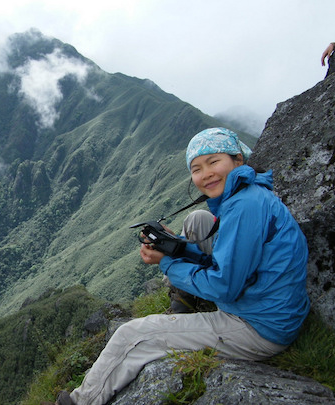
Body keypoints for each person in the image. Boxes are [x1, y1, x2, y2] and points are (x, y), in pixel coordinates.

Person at [54, 127, 310, 405]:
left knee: (131, 335)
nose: (206, 173)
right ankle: (186, 301)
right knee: (200, 220)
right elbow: (228, 260)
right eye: (197, 168)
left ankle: (81, 401)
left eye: (214, 162)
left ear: (238, 160)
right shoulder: (247, 194)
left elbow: (224, 285)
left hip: (259, 326)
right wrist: (175, 246)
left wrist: (168, 264)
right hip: (266, 305)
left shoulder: (244, 207)